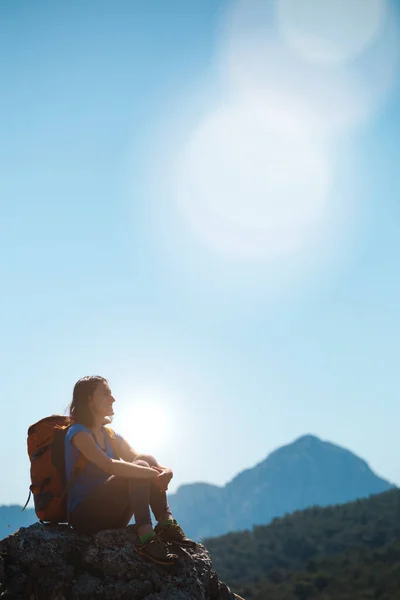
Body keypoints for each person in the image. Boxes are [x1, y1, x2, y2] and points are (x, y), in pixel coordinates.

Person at [65, 375, 195, 565]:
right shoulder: (78, 433)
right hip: (86, 516)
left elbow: (140, 459)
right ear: (89, 399)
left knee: (145, 460)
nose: (113, 398)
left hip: (112, 513)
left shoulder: (110, 435)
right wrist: (151, 474)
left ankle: (166, 524)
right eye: (106, 393)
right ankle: (146, 537)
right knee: (140, 468)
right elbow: (109, 465)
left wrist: (166, 471)